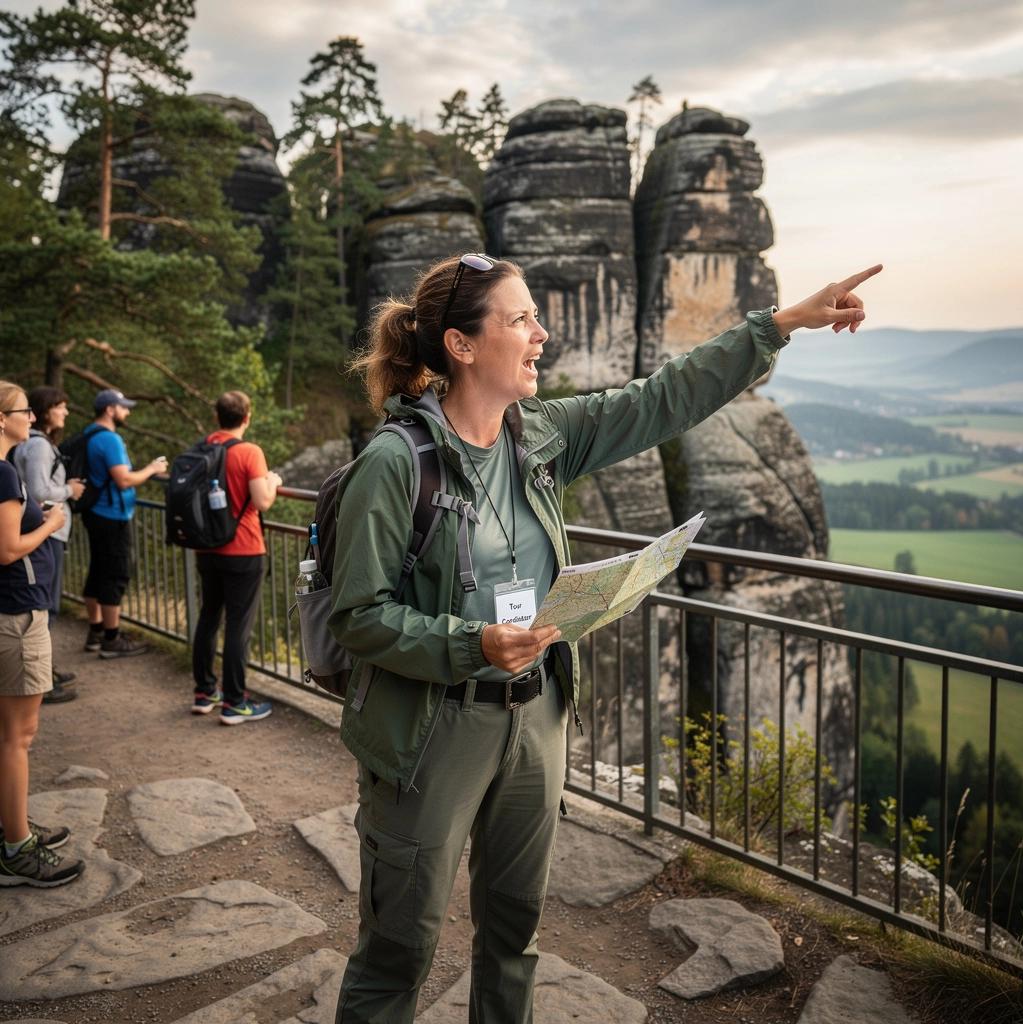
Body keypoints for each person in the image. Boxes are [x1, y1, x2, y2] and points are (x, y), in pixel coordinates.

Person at [328, 252, 882, 1023]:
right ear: (460, 345)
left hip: (536, 721)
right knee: (399, 950)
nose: (541, 334)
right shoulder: (394, 463)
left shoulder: (541, 436)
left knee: (513, 936)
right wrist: (472, 645)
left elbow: (663, 399)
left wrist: (780, 324)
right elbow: (357, 615)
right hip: (430, 730)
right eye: (520, 319)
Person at [0, 380, 85, 887]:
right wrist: (51, 523)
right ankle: (16, 849)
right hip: (16, 613)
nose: (31, 417)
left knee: (9, 734)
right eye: (22, 410)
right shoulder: (4, 475)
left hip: (8, 611)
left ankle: (12, 826)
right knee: (19, 737)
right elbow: (8, 550)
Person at [191, 390, 282, 725]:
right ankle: (234, 702)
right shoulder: (249, 452)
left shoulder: (202, 448)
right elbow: (261, 501)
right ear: (247, 417)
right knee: (238, 626)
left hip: (207, 547)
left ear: (217, 417)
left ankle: (204, 693)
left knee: (209, 617)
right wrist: (272, 481)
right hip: (243, 549)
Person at [80, 388, 167, 657]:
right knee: (116, 574)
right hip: (112, 516)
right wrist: (152, 469)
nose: (127, 412)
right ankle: (111, 639)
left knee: (98, 570)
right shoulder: (109, 439)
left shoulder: (88, 433)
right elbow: (124, 479)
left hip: (95, 511)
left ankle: (95, 630)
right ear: (110, 410)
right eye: (123, 407)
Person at [13, 386, 85, 702]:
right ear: (46, 411)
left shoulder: (32, 444)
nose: (65, 412)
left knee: (46, 605)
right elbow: (39, 491)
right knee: (47, 606)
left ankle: (46, 672)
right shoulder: (40, 447)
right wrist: (69, 490)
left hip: (45, 531)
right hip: (48, 531)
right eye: (61, 407)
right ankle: (42, 682)